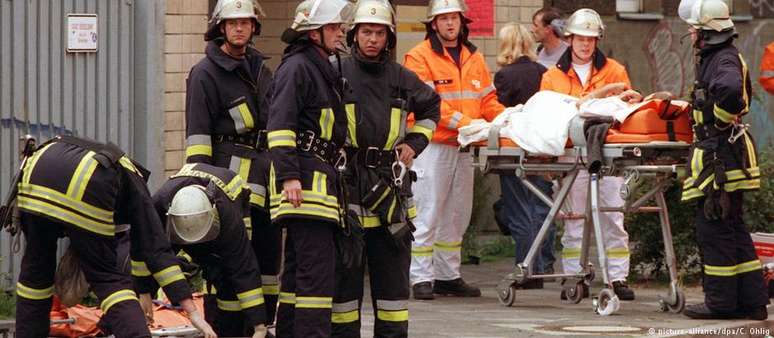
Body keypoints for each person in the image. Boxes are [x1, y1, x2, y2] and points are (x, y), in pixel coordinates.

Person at [12, 136, 215, 338]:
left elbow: (141, 254)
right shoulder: (134, 184)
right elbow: (156, 250)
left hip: (36, 175)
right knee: (107, 279)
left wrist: (144, 292)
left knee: (35, 273)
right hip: (88, 185)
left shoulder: (102, 159)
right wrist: (193, 312)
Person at [332, 1, 440, 336]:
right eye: (367, 32)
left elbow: (432, 107)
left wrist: (414, 144)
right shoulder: (337, 73)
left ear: (389, 38)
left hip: (390, 196)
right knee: (344, 293)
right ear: (354, 35)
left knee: (393, 295)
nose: (373, 39)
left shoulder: (401, 78)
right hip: (347, 190)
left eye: (380, 33)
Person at [184, 0, 281, 326]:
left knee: (267, 262)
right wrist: (203, 193)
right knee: (232, 263)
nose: (240, 28)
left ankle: (263, 326)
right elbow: (198, 141)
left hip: (266, 185)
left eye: (246, 22)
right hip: (227, 187)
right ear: (220, 27)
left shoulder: (260, 68)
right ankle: (227, 330)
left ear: (254, 27)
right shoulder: (204, 74)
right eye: (232, 22)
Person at [404, 0, 504, 300]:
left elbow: (488, 100)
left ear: (462, 22)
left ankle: (447, 275)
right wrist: (467, 122)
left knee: (457, 214)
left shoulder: (474, 57)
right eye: (443, 18)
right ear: (433, 23)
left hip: (463, 146)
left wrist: (506, 120)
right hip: (432, 146)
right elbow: (428, 101)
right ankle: (420, 277)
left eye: (454, 18)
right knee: (427, 211)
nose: (449, 24)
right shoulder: (419, 57)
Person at [540, 8, 639, 301]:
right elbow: (548, 119)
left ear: (597, 41)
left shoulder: (615, 71)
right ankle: (574, 277)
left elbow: (627, 110)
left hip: (608, 153)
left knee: (613, 216)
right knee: (575, 217)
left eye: (591, 39)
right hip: (571, 154)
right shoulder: (552, 77)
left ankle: (617, 277)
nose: (585, 44)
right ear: (569, 39)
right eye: (580, 39)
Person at [267, 0, 353, 336]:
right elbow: (280, 126)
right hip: (304, 184)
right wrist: (289, 176)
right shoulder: (298, 68)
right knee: (316, 278)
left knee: (298, 273)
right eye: (333, 27)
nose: (340, 32)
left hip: (317, 182)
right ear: (313, 33)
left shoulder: (319, 66)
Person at [677, 0, 767, 320]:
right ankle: (752, 301)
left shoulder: (721, 58)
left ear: (706, 33)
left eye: (694, 28)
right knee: (732, 229)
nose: (689, 33)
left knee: (713, 230)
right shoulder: (723, 55)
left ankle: (721, 302)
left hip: (721, 158)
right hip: (728, 157)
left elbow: (729, 90)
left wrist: (717, 121)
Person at [152, 163, 268, 337]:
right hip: (181, 221)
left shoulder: (229, 219)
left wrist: (259, 326)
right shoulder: (159, 204)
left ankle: (233, 328)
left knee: (228, 273)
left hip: (236, 201)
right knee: (164, 259)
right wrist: (144, 292)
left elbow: (244, 269)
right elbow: (150, 253)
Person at [492, 23, 552, 289]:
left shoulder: (504, 76)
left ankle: (524, 271)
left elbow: (500, 114)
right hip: (542, 149)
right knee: (540, 210)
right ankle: (540, 268)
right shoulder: (544, 72)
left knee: (518, 212)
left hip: (514, 149)